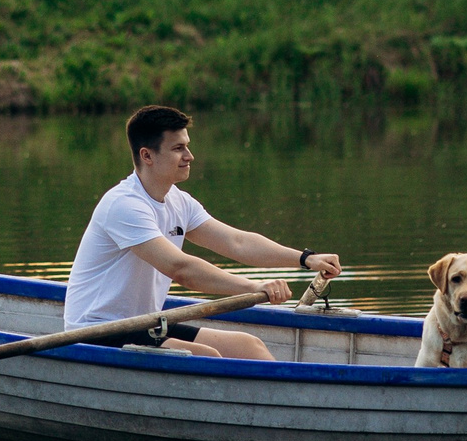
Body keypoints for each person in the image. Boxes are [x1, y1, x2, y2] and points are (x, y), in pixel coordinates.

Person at [64, 105, 343, 360]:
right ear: (147, 155)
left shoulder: (179, 201)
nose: (190, 156)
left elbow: (238, 242)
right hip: (96, 332)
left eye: (187, 146)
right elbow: (180, 268)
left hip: (144, 324)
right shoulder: (123, 205)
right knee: (206, 355)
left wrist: (306, 259)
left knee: (250, 347)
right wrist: (253, 287)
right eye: (178, 149)